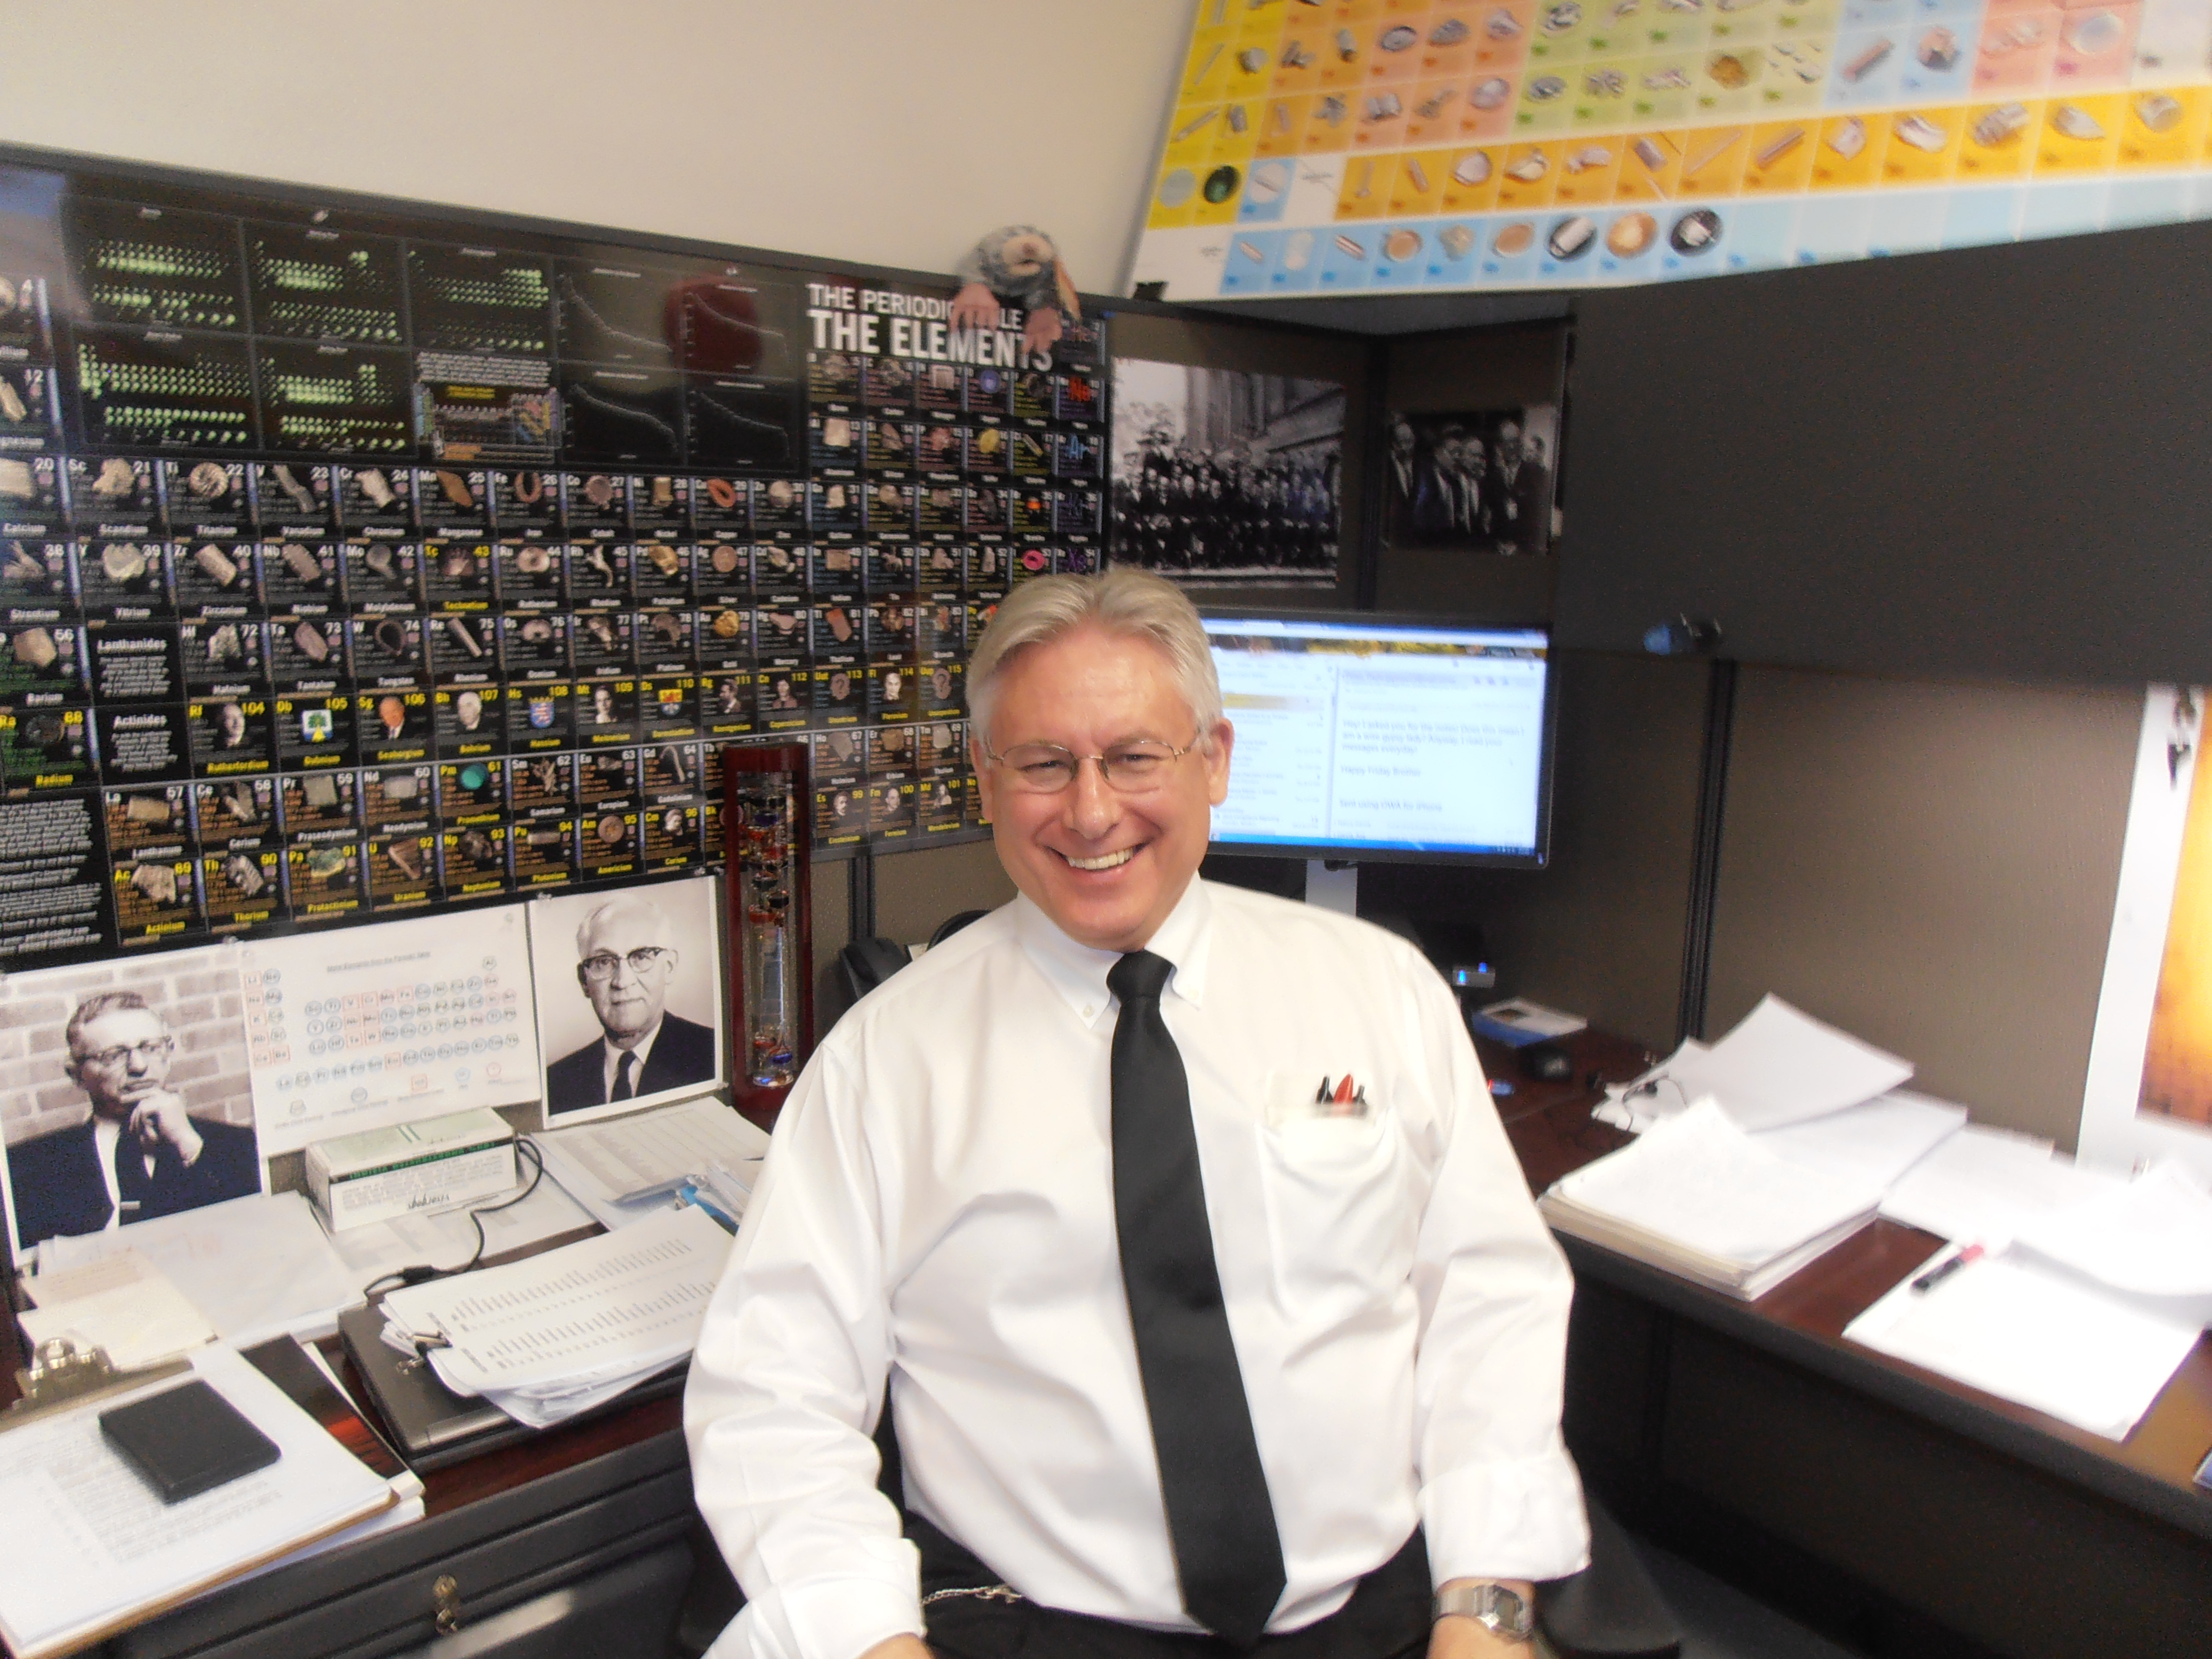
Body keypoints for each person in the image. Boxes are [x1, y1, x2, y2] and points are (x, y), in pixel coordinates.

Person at [686, 570, 1587, 1659]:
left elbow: (1489, 1300)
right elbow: (771, 1392)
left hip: (1382, 1616)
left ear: (1213, 759)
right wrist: (869, 1640)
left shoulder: (1379, 991)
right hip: (1045, 1626)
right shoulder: (887, 1060)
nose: (1091, 810)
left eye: (1133, 757)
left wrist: (1484, 1604)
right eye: (1042, 764)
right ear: (983, 776)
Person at [6, 991, 261, 1249]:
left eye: (151, 1048)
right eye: (114, 1055)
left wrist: (189, 1147)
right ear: (77, 1076)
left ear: (169, 1052)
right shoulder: (25, 1168)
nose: (138, 1066)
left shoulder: (236, 1145)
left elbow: (255, 1240)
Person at [543, 896, 718, 1112]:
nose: (622, 982)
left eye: (641, 957)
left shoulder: (713, 1055)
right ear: (584, 981)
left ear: (669, 967)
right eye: (604, 962)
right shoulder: (556, 1082)